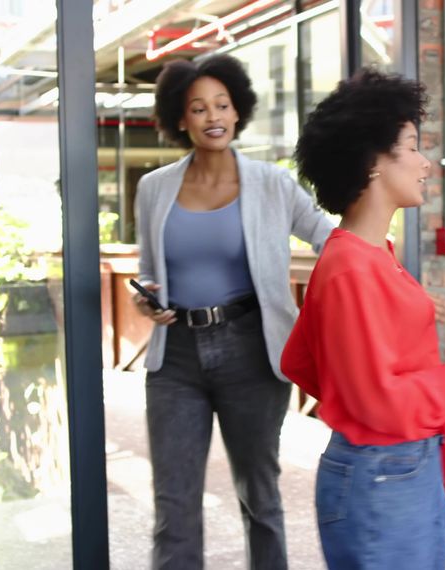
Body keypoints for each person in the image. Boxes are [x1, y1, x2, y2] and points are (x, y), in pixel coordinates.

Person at [281, 70, 445, 569]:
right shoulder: (352, 267)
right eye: (411, 147)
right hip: (384, 476)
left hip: (398, 469)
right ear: (372, 162)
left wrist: (400, 321)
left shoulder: (371, 255)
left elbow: (306, 360)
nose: (425, 163)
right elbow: (375, 399)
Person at [130, 54, 335, 570]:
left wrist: (393, 279)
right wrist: (146, 297)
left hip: (251, 349)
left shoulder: (273, 184)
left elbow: (331, 239)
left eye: (221, 105)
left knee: (259, 497)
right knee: (174, 505)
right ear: (181, 119)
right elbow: (149, 270)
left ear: (238, 111)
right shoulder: (153, 188)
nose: (212, 116)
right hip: (175, 358)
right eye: (198, 108)